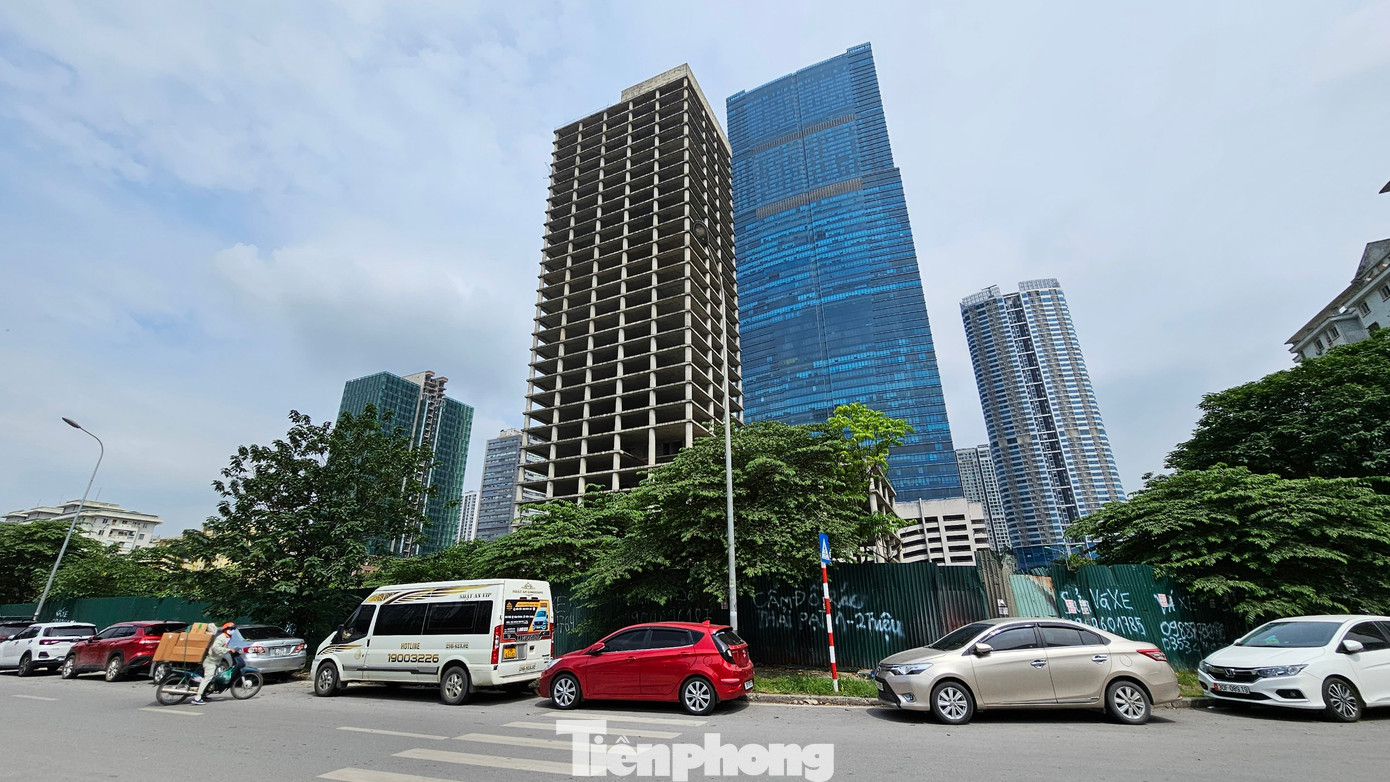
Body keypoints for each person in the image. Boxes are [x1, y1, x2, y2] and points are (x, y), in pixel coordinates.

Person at [191, 622, 236, 705]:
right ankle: (197, 698)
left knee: (212, 677)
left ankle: (204, 694)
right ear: (225, 630)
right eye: (230, 629)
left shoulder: (227, 638)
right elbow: (215, 648)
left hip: (215, 661)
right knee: (207, 678)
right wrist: (227, 650)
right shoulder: (221, 637)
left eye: (233, 629)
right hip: (210, 661)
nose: (232, 631)